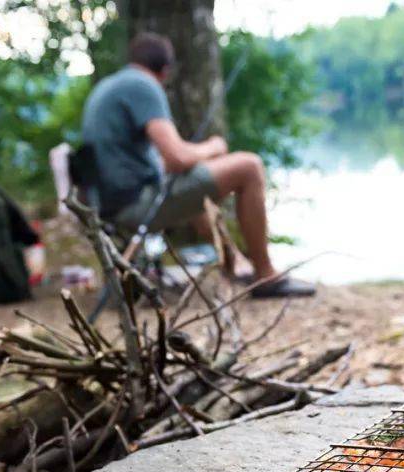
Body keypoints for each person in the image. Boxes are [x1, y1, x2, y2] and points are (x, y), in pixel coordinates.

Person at [81, 31, 315, 298]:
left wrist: (189, 160)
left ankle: (234, 263)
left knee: (192, 183)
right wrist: (214, 146)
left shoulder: (109, 86)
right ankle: (265, 276)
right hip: (135, 206)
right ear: (165, 70)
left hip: (109, 203)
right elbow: (177, 158)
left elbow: (146, 162)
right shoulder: (143, 86)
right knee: (249, 167)